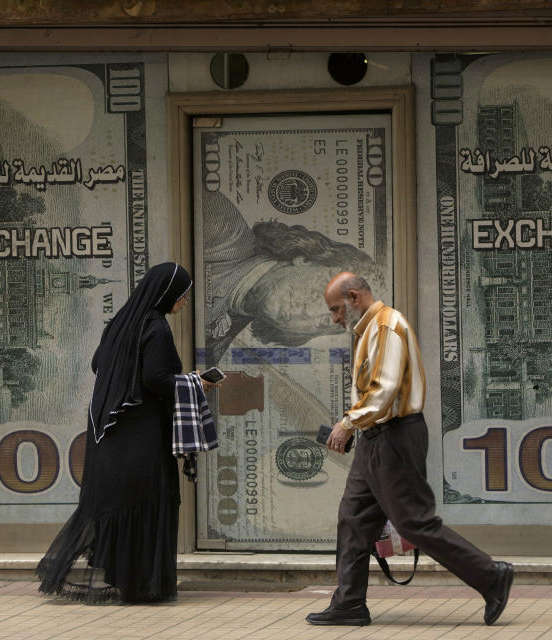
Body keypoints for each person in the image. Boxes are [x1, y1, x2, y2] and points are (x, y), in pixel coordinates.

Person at [306, 272, 514, 627]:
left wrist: (347, 423)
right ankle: (349, 602)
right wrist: (357, 425)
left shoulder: (386, 326)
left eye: (337, 309)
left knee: (414, 523)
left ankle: (491, 576)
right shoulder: (370, 329)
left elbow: (384, 390)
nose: (335, 319)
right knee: (354, 518)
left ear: (354, 297)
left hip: (394, 437)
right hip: (376, 439)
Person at [37, 262, 211, 603]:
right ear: (168, 294)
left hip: (110, 433)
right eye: (184, 295)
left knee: (120, 503)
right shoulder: (157, 328)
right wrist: (195, 382)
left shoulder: (121, 323)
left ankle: (124, 578)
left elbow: (98, 363)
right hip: (141, 435)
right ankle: (143, 585)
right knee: (148, 498)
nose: (185, 302)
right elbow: (156, 380)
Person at [202, 189, 383, 361]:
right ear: (304, 259)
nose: (309, 313)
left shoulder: (212, 351)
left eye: (327, 322)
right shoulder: (219, 227)